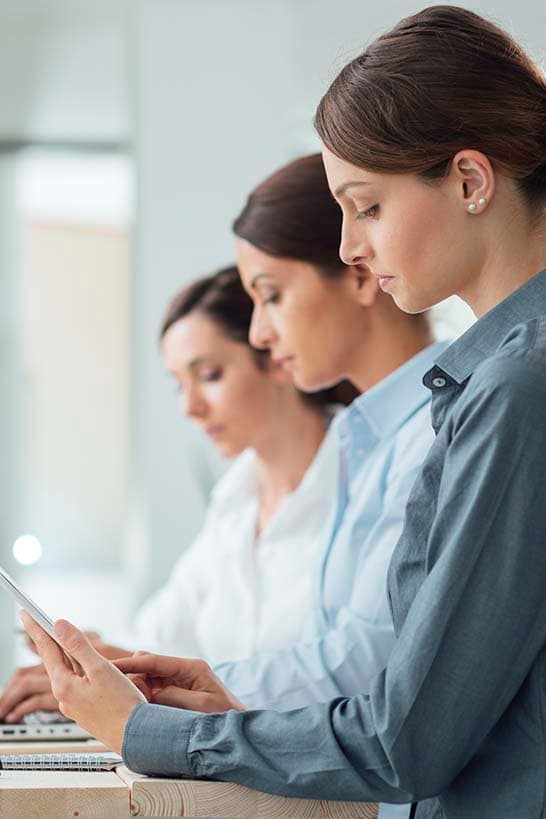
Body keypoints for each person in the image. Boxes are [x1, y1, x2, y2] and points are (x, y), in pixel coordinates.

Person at [22, 145, 445, 819]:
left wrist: (177, 701)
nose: (261, 332)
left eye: (271, 296)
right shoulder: (354, 441)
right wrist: (143, 675)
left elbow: (370, 666)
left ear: (361, 271)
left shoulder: (443, 427)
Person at [0, 265, 344, 719]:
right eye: (179, 384)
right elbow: (162, 630)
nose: (190, 407)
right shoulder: (236, 502)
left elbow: (349, 671)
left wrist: (131, 670)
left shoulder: (362, 478)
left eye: (209, 374)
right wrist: (98, 656)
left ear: (275, 352)